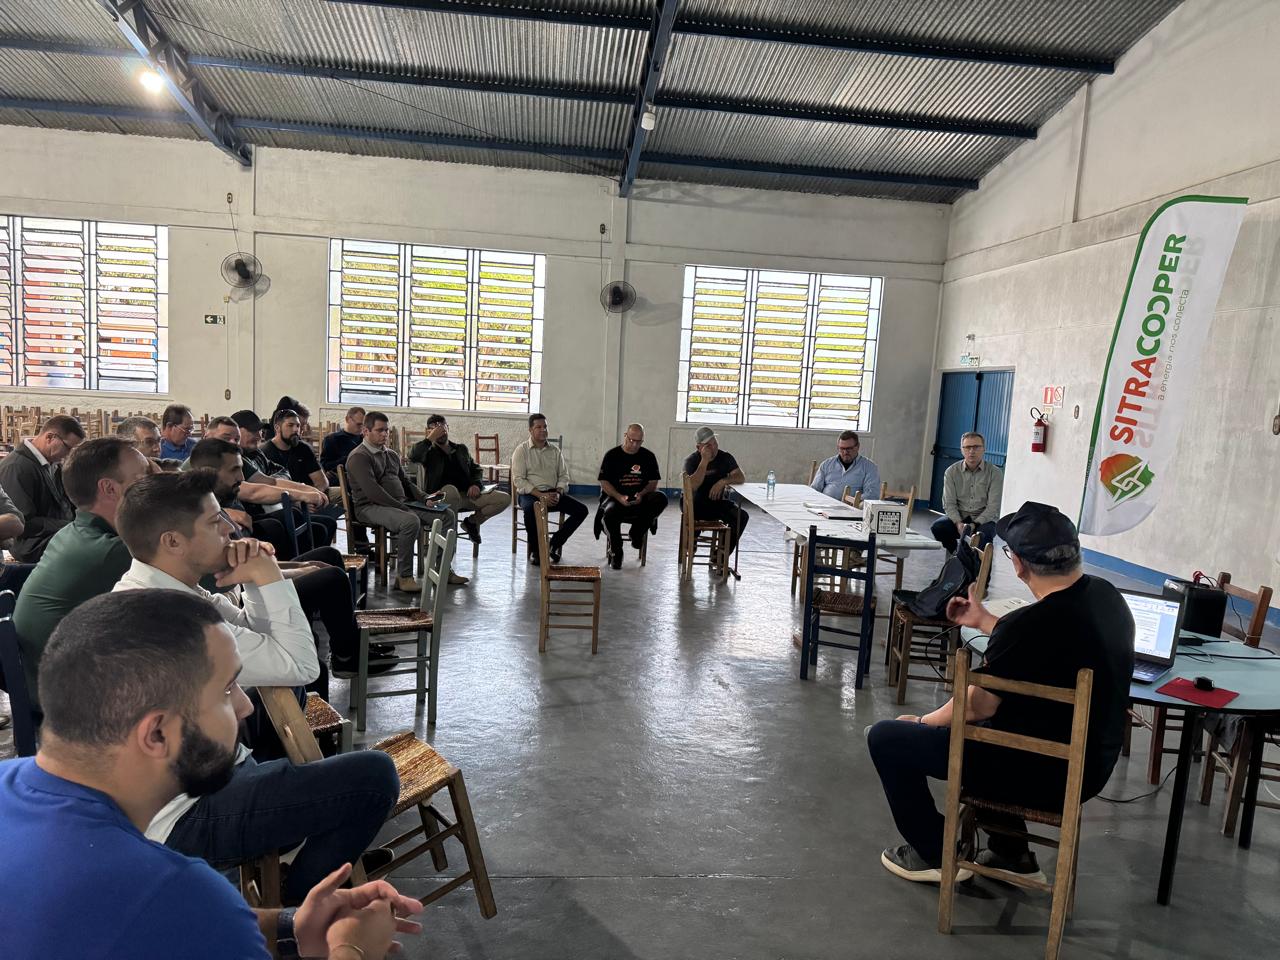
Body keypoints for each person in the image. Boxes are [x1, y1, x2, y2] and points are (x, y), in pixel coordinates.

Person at [0, 589, 422, 959]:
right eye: (226, 690)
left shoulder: (10, 785)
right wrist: (352, 949)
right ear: (158, 733)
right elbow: (183, 914)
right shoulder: (175, 891)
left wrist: (289, 925)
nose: (245, 706)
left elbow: (170, 920)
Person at [112, 473, 401, 899]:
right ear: (173, 541)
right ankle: (298, 907)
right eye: (214, 522)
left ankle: (316, 854)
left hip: (212, 770)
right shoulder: (172, 617)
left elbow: (258, 638)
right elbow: (299, 664)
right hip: (187, 815)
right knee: (374, 778)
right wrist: (269, 576)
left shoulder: (165, 588)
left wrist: (252, 578)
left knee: (295, 719)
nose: (231, 529)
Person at [867, 502, 1133, 884]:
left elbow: (975, 705)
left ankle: (935, 854)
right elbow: (1049, 645)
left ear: (1019, 564)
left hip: (1039, 775)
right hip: (1090, 767)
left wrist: (922, 722)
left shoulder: (1028, 626)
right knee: (998, 726)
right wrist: (986, 621)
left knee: (886, 738)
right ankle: (1012, 855)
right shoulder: (1108, 598)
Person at [190, 437, 384, 680]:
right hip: (243, 595)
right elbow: (240, 572)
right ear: (210, 472)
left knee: (329, 555)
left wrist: (301, 565)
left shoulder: (216, 506)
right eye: (234, 470)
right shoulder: (200, 517)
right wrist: (302, 570)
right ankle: (347, 658)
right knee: (332, 578)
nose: (241, 476)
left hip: (250, 582)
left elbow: (247, 563)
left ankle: (350, 643)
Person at [13, 437, 150, 707]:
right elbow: (211, 575)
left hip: (45, 681)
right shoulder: (108, 551)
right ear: (109, 488)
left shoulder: (73, 533)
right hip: (67, 701)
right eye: (142, 478)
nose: (151, 485)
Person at [345, 411, 466, 591]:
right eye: (379, 430)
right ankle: (404, 577)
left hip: (400, 504)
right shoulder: (359, 456)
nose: (385, 434)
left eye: (386, 430)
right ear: (366, 431)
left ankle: (443, 570)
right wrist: (402, 507)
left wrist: (425, 498)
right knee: (410, 521)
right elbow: (373, 493)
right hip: (370, 507)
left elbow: (406, 483)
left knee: (446, 515)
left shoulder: (391, 454)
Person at [409, 414, 507, 546]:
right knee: (451, 491)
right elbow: (413, 456)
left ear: (448, 428)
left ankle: (471, 522)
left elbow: (476, 469)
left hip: (466, 495)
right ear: (429, 432)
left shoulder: (461, 449)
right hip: (441, 497)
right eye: (435, 429)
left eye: (442, 427)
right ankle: (448, 549)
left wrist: (475, 484)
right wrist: (430, 438)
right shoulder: (428, 452)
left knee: (503, 498)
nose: (440, 431)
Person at [0, 414, 84, 561]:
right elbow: (25, 523)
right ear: (50, 437)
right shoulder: (16, 467)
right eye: (68, 448)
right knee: (91, 548)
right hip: (31, 544)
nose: (69, 455)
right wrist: (70, 525)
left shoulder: (53, 463)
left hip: (56, 533)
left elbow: (67, 503)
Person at [511, 413, 586, 565]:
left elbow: (564, 475)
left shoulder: (555, 451)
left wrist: (558, 492)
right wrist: (540, 495)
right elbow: (519, 480)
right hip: (531, 494)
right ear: (530, 430)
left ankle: (554, 543)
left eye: (545, 427)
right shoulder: (522, 450)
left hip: (553, 493)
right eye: (538, 427)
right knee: (531, 509)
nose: (543, 430)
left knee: (582, 510)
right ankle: (536, 551)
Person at [595, 422, 667, 569]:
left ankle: (637, 532)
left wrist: (642, 494)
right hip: (616, 499)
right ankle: (617, 550)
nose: (634, 445)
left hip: (640, 498)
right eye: (631, 440)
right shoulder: (612, 455)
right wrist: (618, 496)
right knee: (608, 514)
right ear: (625, 436)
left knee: (661, 498)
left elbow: (653, 482)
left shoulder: (648, 456)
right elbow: (604, 482)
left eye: (638, 442)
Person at [931, 431, 1003, 553]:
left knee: (983, 536)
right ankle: (955, 554)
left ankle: (979, 565)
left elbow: (993, 506)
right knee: (938, 527)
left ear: (984, 449)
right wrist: (958, 523)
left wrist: (975, 524)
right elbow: (949, 503)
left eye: (976, 447)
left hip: (984, 520)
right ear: (962, 450)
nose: (971, 451)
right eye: (967, 447)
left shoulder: (994, 473)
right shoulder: (951, 472)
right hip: (959, 517)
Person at [682, 426, 748, 554]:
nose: (713, 447)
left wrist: (723, 481)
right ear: (699, 447)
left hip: (716, 503)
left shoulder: (725, 457)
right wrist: (704, 461)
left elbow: (740, 477)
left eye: (714, 443)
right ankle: (692, 540)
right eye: (708, 445)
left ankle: (721, 554)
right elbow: (692, 486)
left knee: (741, 517)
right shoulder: (691, 460)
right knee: (694, 507)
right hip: (694, 504)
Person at [264, 409, 329, 492]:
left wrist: (314, 495)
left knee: (340, 492)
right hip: (280, 497)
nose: (296, 429)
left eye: (298, 426)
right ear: (277, 428)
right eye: (290, 425)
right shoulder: (265, 452)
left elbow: (322, 482)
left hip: (310, 493)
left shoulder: (304, 448)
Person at [811, 430, 880, 502]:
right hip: (825, 505)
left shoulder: (869, 467)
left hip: (852, 506)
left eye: (849, 448)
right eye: (842, 448)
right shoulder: (826, 464)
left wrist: (854, 501)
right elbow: (815, 489)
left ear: (857, 446)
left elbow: (872, 494)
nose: (845, 452)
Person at [322, 406, 366, 485]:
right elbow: (325, 466)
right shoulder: (332, 439)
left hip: (363, 478)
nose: (361, 428)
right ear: (347, 419)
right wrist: (348, 459)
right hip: (341, 480)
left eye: (363, 425)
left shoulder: (365, 440)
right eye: (359, 424)